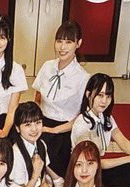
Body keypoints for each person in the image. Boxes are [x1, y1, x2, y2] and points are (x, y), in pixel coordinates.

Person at [33, 20, 90, 175]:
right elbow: (37, 96)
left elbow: (82, 116)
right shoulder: (47, 66)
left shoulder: (83, 78)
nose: (62, 47)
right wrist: (35, 121)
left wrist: (53, 130)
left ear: (78, 43)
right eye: (59, 41)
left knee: (44, 155)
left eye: (68, 42)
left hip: (64, 129)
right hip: (42, 122)